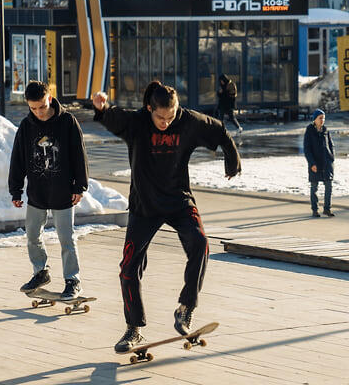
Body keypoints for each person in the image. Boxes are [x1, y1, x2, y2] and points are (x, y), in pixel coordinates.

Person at [93, 81, 241, 353]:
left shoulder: (187, 121)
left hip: (178, 200)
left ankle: (186, 307)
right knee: (128, 268)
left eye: (170, 117)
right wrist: (101, 108)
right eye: (160, 117)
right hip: (144, 206)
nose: (165, 122)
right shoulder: (136, 123)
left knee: (200, 243)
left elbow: (219, 130)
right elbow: (112, 117)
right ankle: (133, 329)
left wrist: (232, 157)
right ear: (150, 109)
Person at [9, 80, 89, 299]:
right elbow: (17, 159)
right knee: (32, 235)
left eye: (42, 107)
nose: (39, 113)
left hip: (63, 191)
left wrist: (79, 185)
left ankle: (73, 280)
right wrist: (15, 190)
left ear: (50, 99)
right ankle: (40, 272)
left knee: (66, 238)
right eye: (33, 108)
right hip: (37, 192)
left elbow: (79, 155)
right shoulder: (27, 125)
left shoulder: (67, 122)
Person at [303, 109, 335, 217]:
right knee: (314, 187)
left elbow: (331, 145)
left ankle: (327, 209)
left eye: (323, 118)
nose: (322, 120)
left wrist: (332, 157)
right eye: (320, 118)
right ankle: (315, 209)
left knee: (329, 186)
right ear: (315, 119)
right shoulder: (309, 131)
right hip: (315, 164)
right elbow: (307, 149)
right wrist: (312, 163)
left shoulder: (326, 130)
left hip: (326, 163)